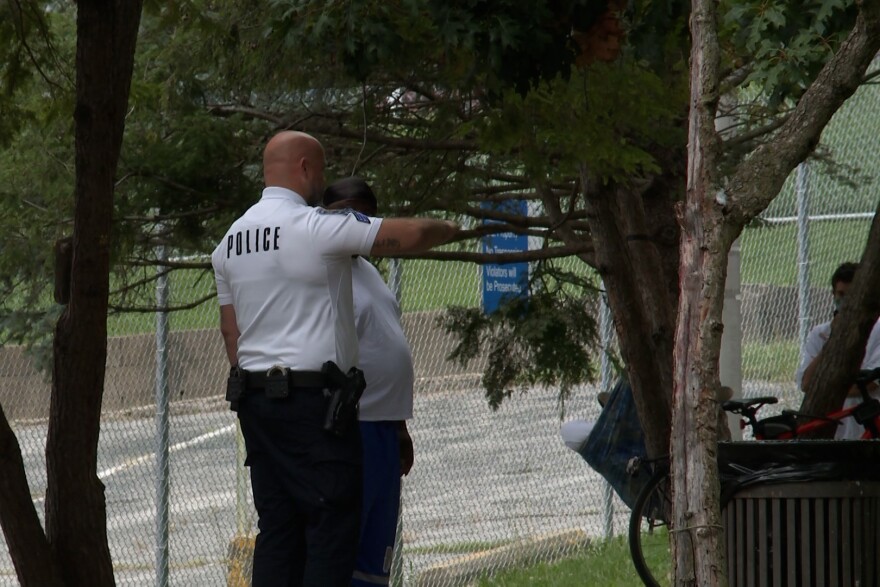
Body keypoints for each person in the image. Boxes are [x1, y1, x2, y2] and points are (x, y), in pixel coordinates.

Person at [211, 131, 458, 587]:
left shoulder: (229, 242)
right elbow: (415, 234)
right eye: (319, 171)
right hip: (314, 405)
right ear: (305, 168)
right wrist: (453, 228)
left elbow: (233, 334)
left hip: (257, 404)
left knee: (279, 530)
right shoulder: (315, 227)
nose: (319, 182)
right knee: (330, 529)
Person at [322, 177, 415, 587]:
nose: (355, 223)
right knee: (347, 545)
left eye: (364, 214)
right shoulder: (325, 276)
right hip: (353, 431)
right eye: (345, 214)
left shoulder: (370, 273)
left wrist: (400, 427)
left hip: (383, 427)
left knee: (378, 552)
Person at [795, 262, 880, 439]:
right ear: (833, 295)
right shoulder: (820, 334)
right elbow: (807, 384)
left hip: (865, 427)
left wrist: (825, 389)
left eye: (851, 295)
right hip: (832, 430)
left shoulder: (877, 330)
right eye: (840, 295)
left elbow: (872, 382)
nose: (845, 301)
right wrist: (833, 340)